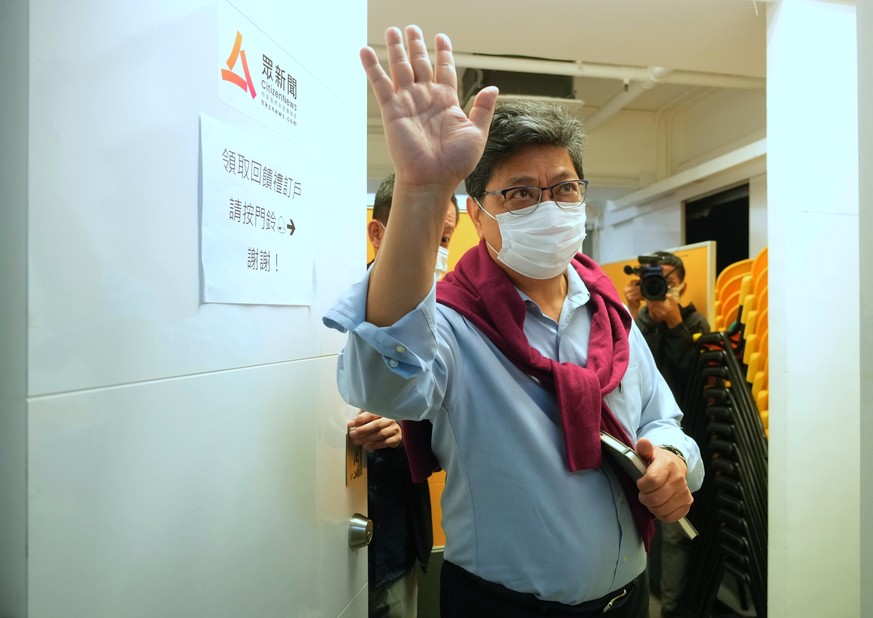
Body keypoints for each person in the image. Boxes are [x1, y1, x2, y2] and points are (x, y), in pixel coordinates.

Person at [325, 25, 703, 617]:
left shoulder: (612, 316)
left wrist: (678, 460)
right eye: (520, 194)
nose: (548, 206)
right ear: (478, 212)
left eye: (564, 188)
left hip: (628, 600)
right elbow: (379, 383)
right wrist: (422, 196)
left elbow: (665, 418)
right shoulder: (453, 325)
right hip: (500, 606)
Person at [347, 172, 459, 618]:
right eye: (420, 230)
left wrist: (407, 421)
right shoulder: (335, 311)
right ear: (378, 234)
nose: (434, 248)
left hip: (395, 534)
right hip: (321, 532)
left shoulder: (448, 320)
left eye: (443, 236)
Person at [623, 251, 710, 618]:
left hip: (681, 446)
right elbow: (627, 369)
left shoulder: (694, 324)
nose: (659, 290)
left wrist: (675, 326)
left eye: (667, 282)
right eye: (652, 283)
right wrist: (629, 309)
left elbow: (698, 375)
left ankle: (670, 609)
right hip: (638, 441)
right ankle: (651, 589)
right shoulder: (636, 323)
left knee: (674, 532)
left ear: (682, 285)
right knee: (641, 522)